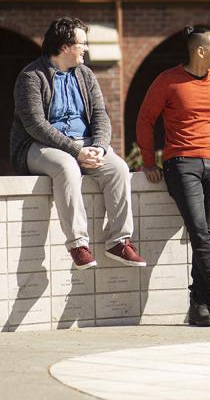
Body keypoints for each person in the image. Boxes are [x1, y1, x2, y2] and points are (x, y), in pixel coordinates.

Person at [136, 26, 210, 327]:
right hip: (182, 164)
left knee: (207, 235)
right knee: (201, 233)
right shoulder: (167, 80)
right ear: (201, 51)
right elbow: (145, 119)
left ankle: (199, 306)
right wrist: (149, 161)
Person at [10, 17, 145, 270]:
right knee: (66, 167)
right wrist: (76, 151)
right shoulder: (31, 76)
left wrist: (100, 147)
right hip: (38, 146)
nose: (86, 48)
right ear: (64, 46)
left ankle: (119, 241)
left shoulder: (85, 74)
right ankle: (78, 244)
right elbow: (36, 125)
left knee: (118, 168)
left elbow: (101, 115)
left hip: (85, 144)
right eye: (82, 43)